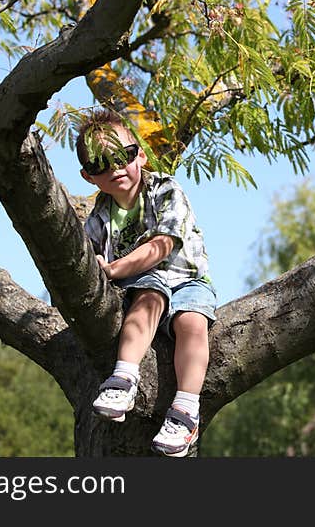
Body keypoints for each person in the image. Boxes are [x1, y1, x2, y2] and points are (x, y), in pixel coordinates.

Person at [77, 109, 217, 457]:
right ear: (87, 176)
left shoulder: (166, 189)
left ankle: (185, 410)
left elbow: (162, 246)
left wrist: (111, 268)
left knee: (192, 323)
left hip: (187, 279)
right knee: (149, 294)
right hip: (144, 288)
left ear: (139, 153)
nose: (115, 170)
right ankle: (124, 378)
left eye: (122, 157)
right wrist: (93, 266)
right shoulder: (98, 218)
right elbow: (82, 263)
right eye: (100, 165)